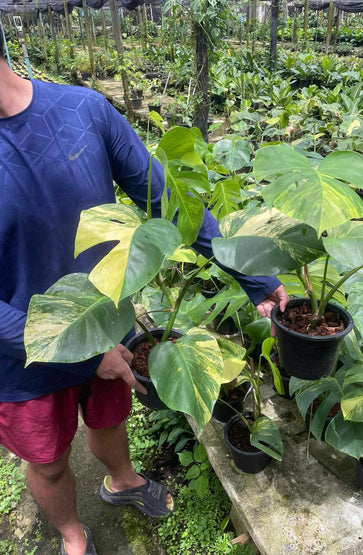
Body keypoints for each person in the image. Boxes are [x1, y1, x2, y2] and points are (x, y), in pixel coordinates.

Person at [0, 39, 289, 555]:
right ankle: (71, 535)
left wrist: (254, 278)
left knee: (110, 417)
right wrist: (89, 352)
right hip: (21, 355)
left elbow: (164, 199)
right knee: (46, 460)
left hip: (109, 324)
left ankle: (122, 481)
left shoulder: (81, 109)